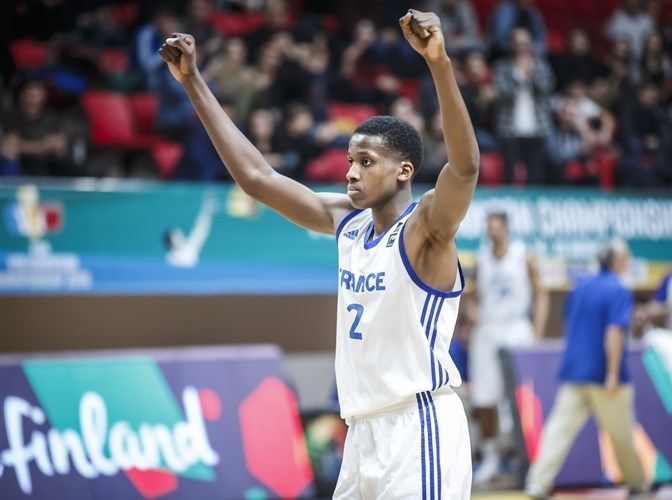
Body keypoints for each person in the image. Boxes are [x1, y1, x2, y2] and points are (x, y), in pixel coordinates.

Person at [158, 8, 478, 497]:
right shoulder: (345, 223)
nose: (350, 172)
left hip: (419, 428)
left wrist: (438, 63)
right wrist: (194, 82)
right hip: (362, 431)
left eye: (365, 162)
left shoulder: (427, 230)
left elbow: (466, 170)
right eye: (350, 160)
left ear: (404, 171)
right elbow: (258, 179)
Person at [525, 240, 647, 498]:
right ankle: (637, 485)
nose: (628, 261)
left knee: (558, 431)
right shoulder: (619, 290)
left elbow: (570, 323)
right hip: (604, 377)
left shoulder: (580, 287)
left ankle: (537, 483)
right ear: (616, 261)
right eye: (626, 256)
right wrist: (613, 374)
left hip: (574, 371)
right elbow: (614, 333)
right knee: (622, 434)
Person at [470, 211, 549, 484]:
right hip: (489, 329)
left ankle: (525, 455)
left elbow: (542, 293)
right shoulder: (481, 258)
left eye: (497, 227)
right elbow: (471, 295)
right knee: (483, 397)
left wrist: (537, 334)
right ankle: (491, 457)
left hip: (517, 328)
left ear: (506, 228)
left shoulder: (522, 255)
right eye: (489, 227)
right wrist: (473, 315)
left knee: (522, 396)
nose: (493, 231)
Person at [494, 27, 555, 184]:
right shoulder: (502, 67)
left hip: (537, 129)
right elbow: (502, 94)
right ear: (511, 45)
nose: (522, 47)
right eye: (518, 43)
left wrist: (531, 74)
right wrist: (519, 76)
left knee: (536, 176)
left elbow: (546, 90)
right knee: (510, 175)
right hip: (510, 130)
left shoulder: (541, 66)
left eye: (525, 43)